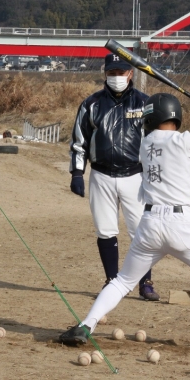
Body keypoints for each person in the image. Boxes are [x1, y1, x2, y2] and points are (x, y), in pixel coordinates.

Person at [60, 94, 190, 350]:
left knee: (122, 281)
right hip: (182, 225)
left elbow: (188, 149)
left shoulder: (145, 143)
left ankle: (86, 325)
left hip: (150, 225)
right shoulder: (185, 141)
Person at [69, 53, 159, 301]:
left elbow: (156, 141)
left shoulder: (145, 103)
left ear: (130, 73)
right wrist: (77, 172)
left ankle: (145, 282)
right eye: (112, 73)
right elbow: (79, 142)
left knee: (142, 231)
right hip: (101, 175)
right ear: (105, 73)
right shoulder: (91, 104)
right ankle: (111, 280)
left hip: (135, 176)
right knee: (105, 229)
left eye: (121, 72)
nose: (116, 77)